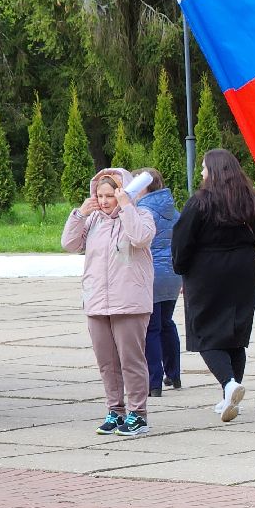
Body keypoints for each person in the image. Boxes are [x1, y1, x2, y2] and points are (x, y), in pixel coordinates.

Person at [171, 148, 255, 423]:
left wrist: (181, 269)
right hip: (244, 269)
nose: (203, 173)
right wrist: (248, 254)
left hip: (207, 270)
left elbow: (182, 240)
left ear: (214, 171)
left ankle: (229, 384)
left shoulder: (200, 202)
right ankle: (229, 395)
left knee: (205, 332)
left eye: (205, 168)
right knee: (235, 331)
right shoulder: (252, 199)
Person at [61, 169, 157, 438]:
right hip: (97, 301)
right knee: (107, 363)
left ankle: (138, 415)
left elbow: (139, 238)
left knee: (131, 361)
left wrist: (126, 205)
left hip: (130, 302)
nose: (104, 201)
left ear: (122, 193)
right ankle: (115, 411)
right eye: (99, 195)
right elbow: (69, 244)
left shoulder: (142, 216)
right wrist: (80, 213)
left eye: (110, 195)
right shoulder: (93, 221)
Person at [135, 167, 182, 397]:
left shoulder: (141, 210)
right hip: (172, 275)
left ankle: (153, 383)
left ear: (144, 186)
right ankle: (174, 373)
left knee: (150, 329)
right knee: (167, 323)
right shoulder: (172, 209)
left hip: (150, 275)